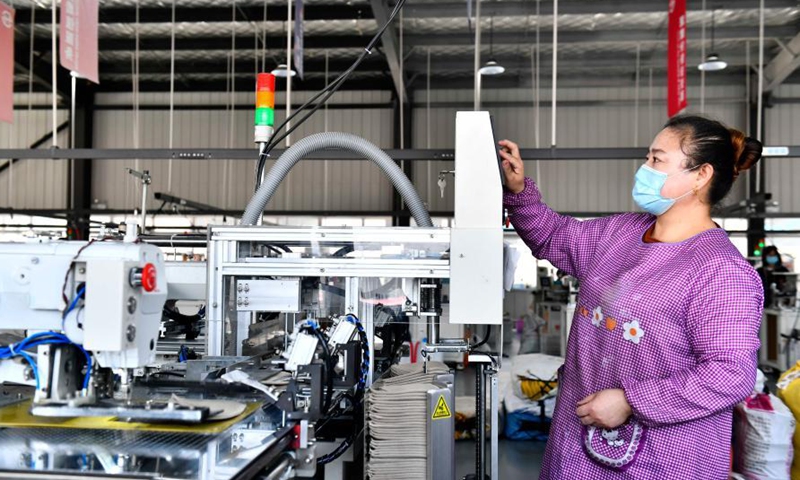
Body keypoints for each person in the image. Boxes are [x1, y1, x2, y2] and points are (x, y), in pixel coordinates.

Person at [499, 115, 763, 479]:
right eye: (647, 158)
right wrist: (518, 192)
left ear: (701, 175)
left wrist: (631, 401)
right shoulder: (621, 233)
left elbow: (730, 374)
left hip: (663, 460)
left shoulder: (720, 271)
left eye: (657, 160)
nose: (644, 169)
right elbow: (554, 236)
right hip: (575, 446)